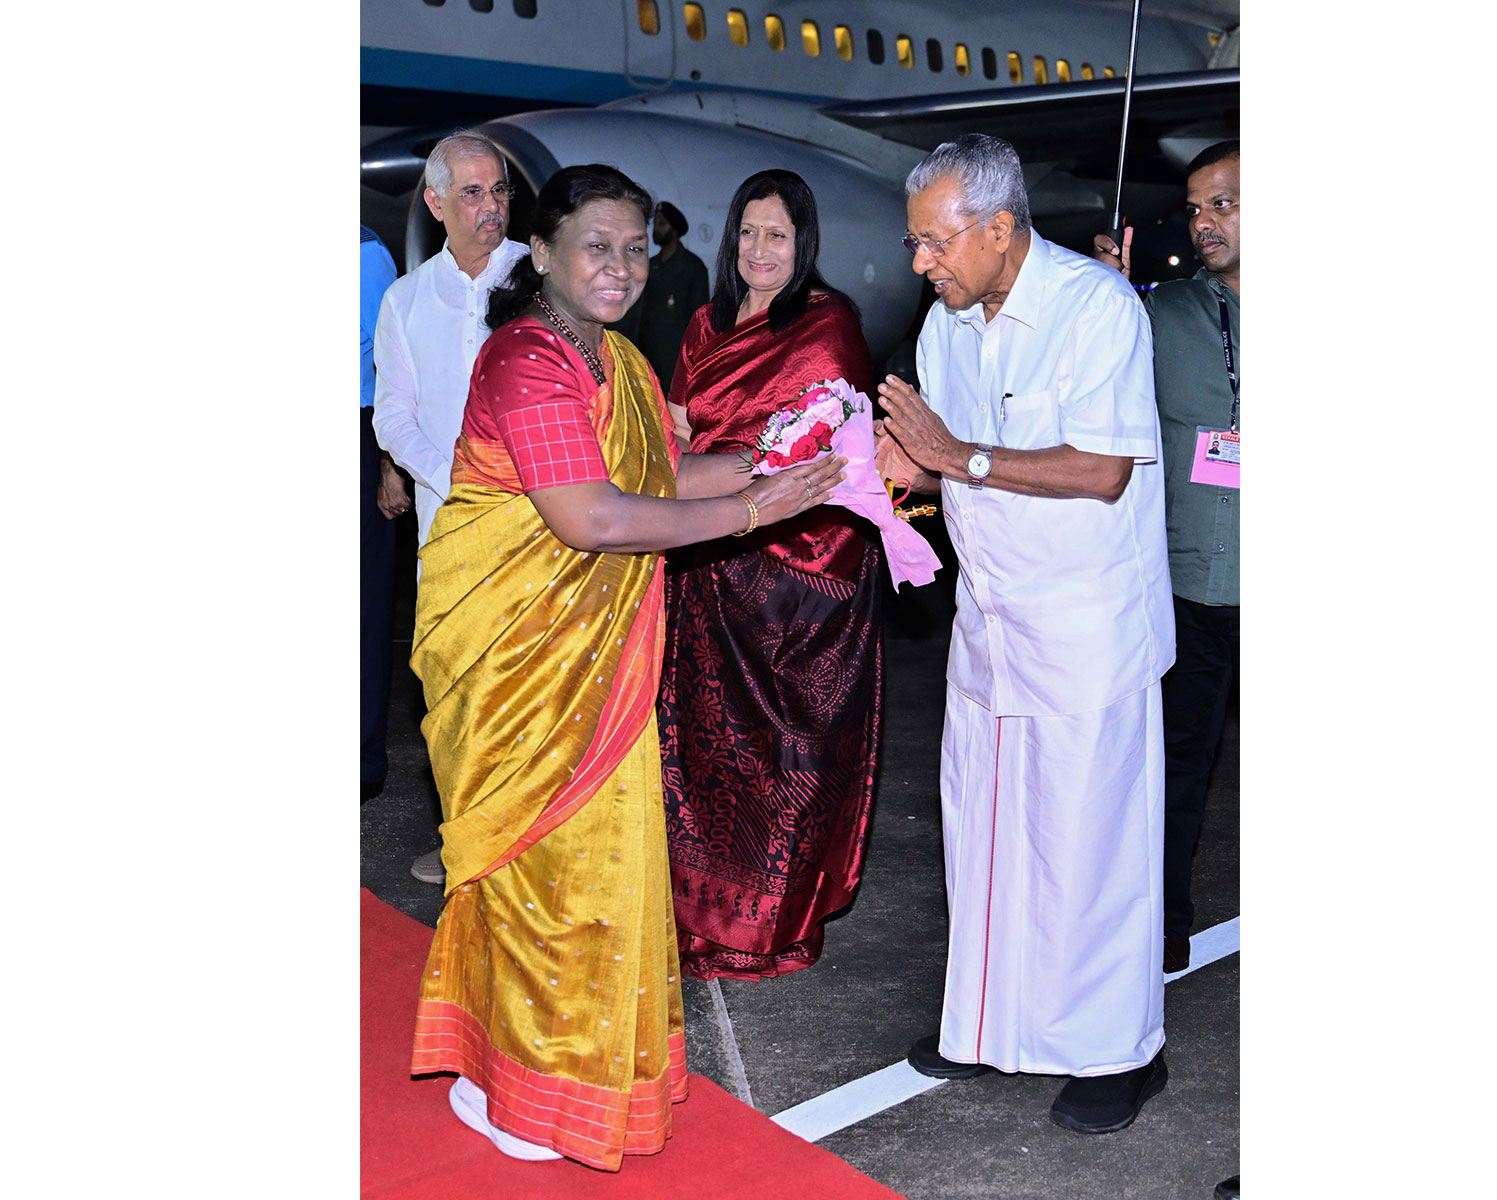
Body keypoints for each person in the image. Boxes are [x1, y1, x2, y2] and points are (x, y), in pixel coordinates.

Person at [407, 163, 843, 1171]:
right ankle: (523, 1091)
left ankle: (512, 1070)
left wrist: (800, 464)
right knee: (547, 880)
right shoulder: (528, 359)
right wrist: (755, 510)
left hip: (592, 667)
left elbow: (661, 476)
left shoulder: (621, 361)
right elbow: (592, 517)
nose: (620, 266)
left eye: (635, 249)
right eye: (596, 246)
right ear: (542, 254)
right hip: (518, 665)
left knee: (583, 876)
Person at [874, 133, 1175, 1135]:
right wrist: (891, 470)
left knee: (1090, 851)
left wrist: (955, 453)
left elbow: (1102, 470)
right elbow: (943, 469)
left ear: (999, 229)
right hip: (991, 620)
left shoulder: (1097, 308)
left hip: (1087, 626)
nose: (921, 262)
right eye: (915, 243)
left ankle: (1120, 1051)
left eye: (935, 242)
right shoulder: (945, 324)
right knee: (987, 833)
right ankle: (986, 1022)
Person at [655, 169, 883, 980]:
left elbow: (841, 452)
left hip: (800, 574)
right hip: (709, 560)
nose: (759, 250)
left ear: (803, 242)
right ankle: (698, 916)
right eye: (748, 232)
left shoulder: (826, 325)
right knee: (703, 753)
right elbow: (676, 428)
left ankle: (772, 924)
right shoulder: (706, 323)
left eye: (777, 235)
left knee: (787, 756)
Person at [1093, 140, 1240, 974]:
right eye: (1194, 208)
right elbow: (1085, 378)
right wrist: (1102, 296)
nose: (1203, 222)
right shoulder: (1160, 316)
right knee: (1175, 768)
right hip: (1187, 583)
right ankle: (1161, 927)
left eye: (1224, 203)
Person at [372, 131, 530, 884]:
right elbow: (392, 415)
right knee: (454, 691)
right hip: (446, 526)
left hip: (541, 524)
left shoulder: (543, 277)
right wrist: (453, 477)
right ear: (435, 203)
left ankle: (530, 844)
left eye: (499, 190)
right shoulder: (405, 299)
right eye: (472, 192)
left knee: (532, 686)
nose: (491, 205)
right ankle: (462, 839)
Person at [361, 225, 400, 802]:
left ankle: (362, 757)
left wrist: (389, 463)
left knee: (363, 601)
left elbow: (392, 368)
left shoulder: (364, 255)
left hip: (359, 431)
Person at [613, 201, 709, 394]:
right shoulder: (649, 265)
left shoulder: (692, 266)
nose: (656, 229)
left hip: (676, 357)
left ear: (675, 229)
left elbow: (700, 319)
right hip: (647, 352)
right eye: (655, 224)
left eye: (662, 224)